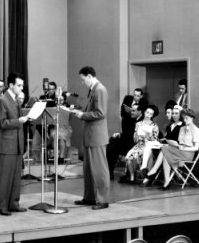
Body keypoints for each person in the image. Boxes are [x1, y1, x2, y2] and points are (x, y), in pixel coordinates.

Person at [64, 66, 110, 210]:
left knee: (99, 169)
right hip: (90, 135)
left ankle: (103, 200)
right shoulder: (93, 90)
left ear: (90, 76)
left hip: (97, 136)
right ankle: (89, 197)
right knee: (89, 169)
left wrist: (83, 115)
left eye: (83, 79)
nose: (82, 82)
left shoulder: (100, 90)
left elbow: (101, 113)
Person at [0, 72, 32, 215]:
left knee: (16, 176)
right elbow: (0, 123)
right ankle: (2, 206)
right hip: (8, 144)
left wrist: (26, 119)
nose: (22, 88)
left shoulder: (16, 100)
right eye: (19, 85)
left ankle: (14, 203)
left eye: (22, 85)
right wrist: (19, 121)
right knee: (5, 177)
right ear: (11, 85)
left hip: (17, 143)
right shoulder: (2, 100)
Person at [142, 108, 199, 190]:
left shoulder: (196, 130)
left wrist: (184, 148)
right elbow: (180, 143)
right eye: (183, 118)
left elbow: (196, 148)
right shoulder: (182, 129)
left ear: (192, 118)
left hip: (188, 154)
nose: (184, 120)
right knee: (165, 154)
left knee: (165, 149)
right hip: (179, 150)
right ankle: (166, 182)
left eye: (186, 118)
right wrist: (176, 144)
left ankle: (154, 170)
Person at [106, 87, 147, 176]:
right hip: (127, 136)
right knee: (111, 142)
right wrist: (119, 135)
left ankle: (129, 173)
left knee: (121, 145)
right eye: (134, 95)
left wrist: (121, 135)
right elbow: (127, 133)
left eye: (134, 111)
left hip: (133, 141)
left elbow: (133, 135)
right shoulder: (126, 119)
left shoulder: (141, 121)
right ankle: (109, 170)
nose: (135, 97)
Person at [121, 104, 160, 184]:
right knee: (129, 155)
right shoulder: (138, 124)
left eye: (150, 114)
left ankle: (146, 176)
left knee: (145, 154)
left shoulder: (154, 126)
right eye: (147, 112)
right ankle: (132, 176)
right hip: (139, 144)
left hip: (148, 146)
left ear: (152, 115)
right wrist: (138, 136)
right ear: (144, 112)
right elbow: (135, 139)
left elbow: (155, 140)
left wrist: (150, 136)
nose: (148, 115)